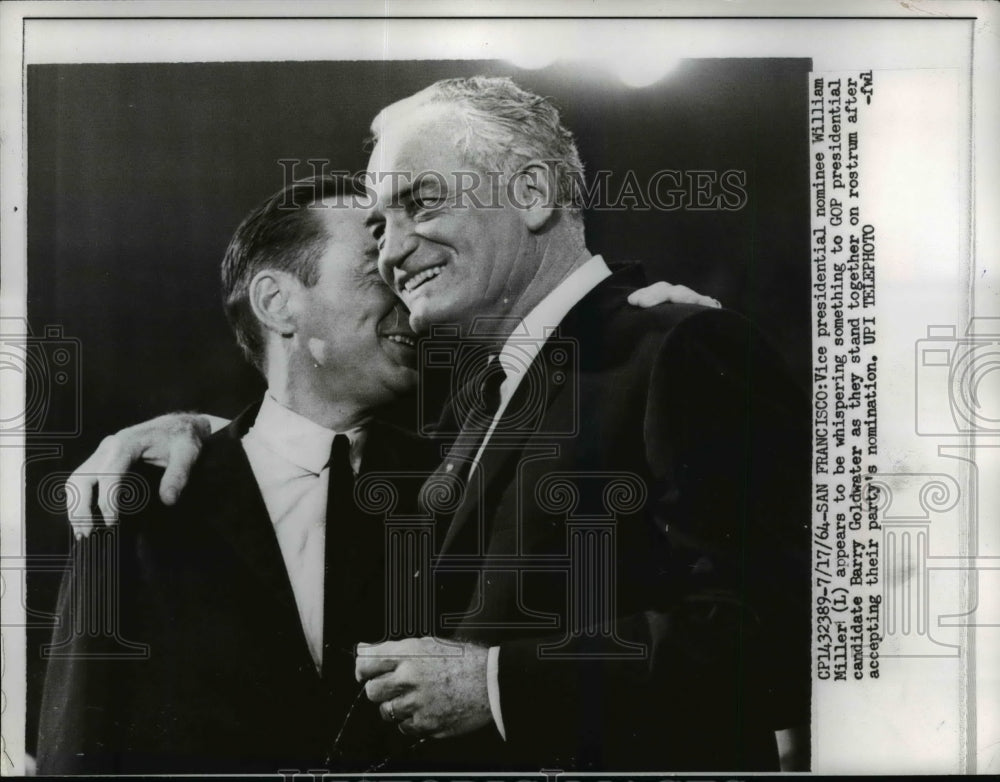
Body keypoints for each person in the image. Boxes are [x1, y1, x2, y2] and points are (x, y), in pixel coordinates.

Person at [59, 78, 804, 772]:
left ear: (534, 193)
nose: (393, 252)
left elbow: (779, 639)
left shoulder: (676, 346)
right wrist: (204, 432)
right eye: (379, 227)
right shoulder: (479, 405)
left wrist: (497, 685)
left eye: (421, 202)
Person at [37, 175, 436, 773]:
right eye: (374, 264)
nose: (406, 287)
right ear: (276, 302)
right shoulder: (139, 503)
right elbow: (79, 746)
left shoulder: (459, 483)